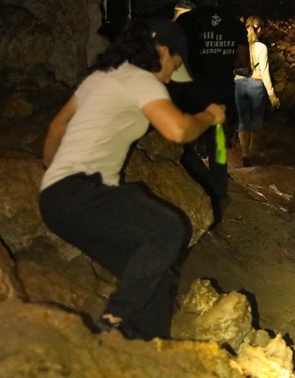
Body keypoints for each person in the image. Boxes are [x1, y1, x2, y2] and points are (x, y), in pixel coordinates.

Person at [39, 18, 226, 341]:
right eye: (173, 66)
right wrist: (209, 116)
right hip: (83, 191)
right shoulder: (141, 78)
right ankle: (115, 317)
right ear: (163, 52)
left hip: (56, 200)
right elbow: (178, 130)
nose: (169, 78)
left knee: (155, 277)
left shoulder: (99, 77)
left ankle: (142, 348)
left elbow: (57, 127)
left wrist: (54, 179)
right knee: (169, 228)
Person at [173, 0, 248, 207]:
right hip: (222, 96)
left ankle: (197, 188)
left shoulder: (185, 23)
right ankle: (218, 194)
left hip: (191, 98)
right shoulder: (234, 24)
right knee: (218, 150)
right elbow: (244, 65)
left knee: (184, 149)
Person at [234, 16, 279, 163]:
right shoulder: (261, 47)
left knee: (243, 120)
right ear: (259, 29)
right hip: (256, 83)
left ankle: (245, 152)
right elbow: (265, 72)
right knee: (257, 120)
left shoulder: (237, 44)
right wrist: (272, 95)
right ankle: (253, 151)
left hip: (239, 84)